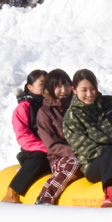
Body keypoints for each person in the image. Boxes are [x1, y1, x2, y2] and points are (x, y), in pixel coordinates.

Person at [63, 69, 112, 208]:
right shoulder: (72, 116)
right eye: (84, 90)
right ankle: (110, 195)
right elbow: (85, 148)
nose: (89, 94)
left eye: (92, 89)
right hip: (95, 164)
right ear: (74, 90)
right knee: (111, 151)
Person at [2, 70, 51, 202]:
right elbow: (23, 137)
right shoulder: (23, 107)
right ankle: (12, 193)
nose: (46, 87)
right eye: (42, 83)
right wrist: (48, 148)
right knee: (39, 157)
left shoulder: (51, 105)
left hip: (54, 150)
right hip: (33, 153)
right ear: (30, 87)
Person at [35, 69, 82, 205]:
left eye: (66, 85)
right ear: (50, 88)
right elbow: (52, 144)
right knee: (74, 163)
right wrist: (76, 153)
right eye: (58, 86)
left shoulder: (78, 106)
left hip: (84, 152)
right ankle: (44, 199)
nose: (64, 90)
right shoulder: (45, 112)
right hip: (60, 158)